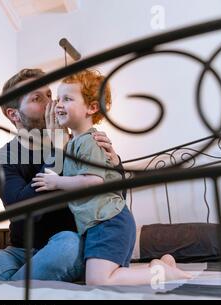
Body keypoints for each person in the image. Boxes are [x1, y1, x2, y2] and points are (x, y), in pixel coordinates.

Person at [0, 69, 122, 283]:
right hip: (20, 251)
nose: (52, 103)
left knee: (67, 245)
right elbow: (26, 213)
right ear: (14, 114)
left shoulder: (81, 138)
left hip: (70, 242)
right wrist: (57, 152)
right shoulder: (2, 159)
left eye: (49, 95)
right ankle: (21, 285)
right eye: (37, 98)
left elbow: (116, 194)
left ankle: (7, 292)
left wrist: (115, 161)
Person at [31, 69, 192, 285]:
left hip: (108, 222)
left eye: (67, 99)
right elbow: (62, 154)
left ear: (92, 107)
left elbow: (94, 181)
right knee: (110, 276)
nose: (58, 105)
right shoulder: (73, 143)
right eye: (58, 99)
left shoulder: (90, 140)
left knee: (99, 281)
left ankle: (164, 274)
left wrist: (56, 182)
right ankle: (160, 265)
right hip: (101, 223)